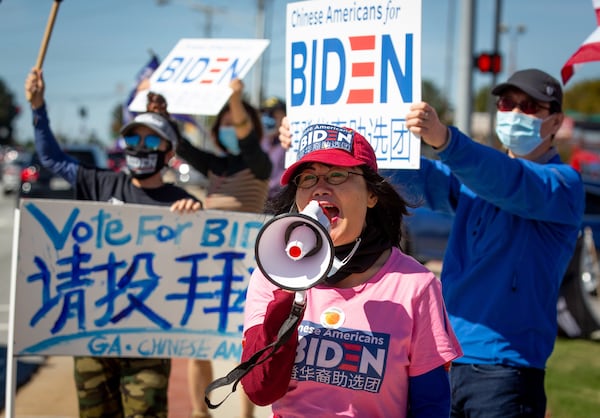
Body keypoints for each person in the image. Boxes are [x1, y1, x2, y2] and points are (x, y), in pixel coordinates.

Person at [389, 69, 584, 417]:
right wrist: (327, 144)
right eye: (508, 103)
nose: (514, 113)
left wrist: (446, 140)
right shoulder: (477, 178)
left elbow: (507, 180)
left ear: (555, 123)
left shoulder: (562, 184)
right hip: (445, 360)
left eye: (530, 107)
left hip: (504, 368)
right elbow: (413, 175)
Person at [240, 123, 462, 417]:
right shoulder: (272, 275)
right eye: (307, 178)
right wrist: (287, 293)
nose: (320, 187)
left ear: (372, 195)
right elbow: (260, 389)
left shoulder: (416, 285)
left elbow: (431, 405)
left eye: (337, 174)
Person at [25, 68, 202, 418]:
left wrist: (197, 218)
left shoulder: (181, 202)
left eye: (151, 141)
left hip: (149, 342)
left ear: (169, 152)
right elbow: (51, 158)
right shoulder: (101, 184)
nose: (139, 147)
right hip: (94, 336)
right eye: (132, 140)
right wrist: (38, 107)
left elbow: (200, 263)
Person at [176, 78, 271, 418]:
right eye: (224, 124)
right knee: (197, 345)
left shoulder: (259, 163)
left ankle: (245, 416)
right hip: (209, 266)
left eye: (236, 123)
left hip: (247, 269)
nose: (230, 128)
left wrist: (235, 99)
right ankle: (200, 414)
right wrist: (161, 110)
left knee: (244, 350)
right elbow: (179, 146)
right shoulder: (215, 165)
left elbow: (246, 137)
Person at [260, 96, 287, 200]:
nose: (267, 118)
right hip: (260, 201)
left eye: (272, 114)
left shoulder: (289, 143)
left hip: (278, 201)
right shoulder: (263, 142)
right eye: (265, 113)